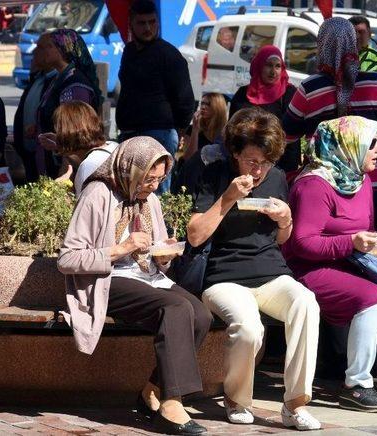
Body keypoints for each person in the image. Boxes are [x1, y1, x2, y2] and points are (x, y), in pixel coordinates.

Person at [58, 137, 211, 435]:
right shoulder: (98, 193)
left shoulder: (148, 199)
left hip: (148, 276)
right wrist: (120, 248)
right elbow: (67, 258)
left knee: (201, 315)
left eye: (159, 179)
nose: (153, 186)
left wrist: (164, 254)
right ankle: (171, 403)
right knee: (176, 307)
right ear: (130, 170)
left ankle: (151, 390)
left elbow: (155, 252)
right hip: (107, 280)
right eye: (148, 179)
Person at [284, 116, 377, 413]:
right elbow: (301, 243)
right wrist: (350, 242)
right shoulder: (314, 185)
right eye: (371, 143)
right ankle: (357, 384)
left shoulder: (359, 178)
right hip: (308, 269)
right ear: (348, 147)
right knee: (373, 299)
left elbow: (361, 230)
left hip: (349, 263)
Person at [186, 107, 321, 430]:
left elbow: (281, 239)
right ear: (234, 153)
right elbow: (194, 235)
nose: (259, 170)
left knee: (306, 304)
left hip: (272, 274)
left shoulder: (275, 177)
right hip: (224, 277)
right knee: (248, 327)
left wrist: (286, 219)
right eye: (251, 160)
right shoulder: (213, 174)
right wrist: (228, 197)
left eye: (266, 161)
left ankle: (295, 403)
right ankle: (236, 398)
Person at [282, 16, 377, 234]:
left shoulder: (310, 89)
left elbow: (286, 136)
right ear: (354, 43)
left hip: (326, 191)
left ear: (321, 46)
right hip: (376, 183)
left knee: (337, 250)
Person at [116, 0, 195, 194]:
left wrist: (179, 130)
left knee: (155, 193)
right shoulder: (129, 52)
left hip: (159, 133)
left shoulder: (169, 55)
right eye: (142, 23)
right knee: (128, 191)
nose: (148, 28)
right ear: (132, 24)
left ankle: (161, 226)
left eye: (152, 22)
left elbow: (185, 100)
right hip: (129, 132)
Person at [35, 29, 102, 178]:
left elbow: (77, 131)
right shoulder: (58, 79)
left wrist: (60, 146)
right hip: (51, 161)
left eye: (49, 46)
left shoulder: (75, 84)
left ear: (63, 50)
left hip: (66, 168)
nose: (44, 51)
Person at [52, 101, 119, 196]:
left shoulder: (88, 166)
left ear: (67, 133)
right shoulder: (113, 146)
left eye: (58, 130)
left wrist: (60, 192)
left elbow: (84, 208)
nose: (57, 133)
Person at [13, 44, 58, 182]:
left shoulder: (57, 81)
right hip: (30, 152)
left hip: (48, 155)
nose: (34, 52)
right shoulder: (38, 77)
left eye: (40, 47)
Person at [229, 45, 296, 122]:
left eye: (277, 66)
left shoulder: (288, 93)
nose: (273, 72)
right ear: (259, 66)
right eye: (269, 65)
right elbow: (232, 126)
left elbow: (292, 127)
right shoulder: (243, 93)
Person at [182, 92, 227, 162]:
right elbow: (189, 158)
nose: (203, 107)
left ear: (218, 108)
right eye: (202, 103)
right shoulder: (192, 129)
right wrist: (195, 130)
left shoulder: (225, 133)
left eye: (208, 104)